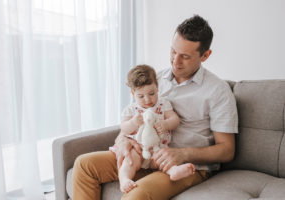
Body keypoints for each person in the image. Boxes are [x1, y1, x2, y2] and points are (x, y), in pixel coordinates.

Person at [72, 15, 238, 200]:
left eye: (185, 56)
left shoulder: (218, 91)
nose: (176, 61)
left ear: (205, 55)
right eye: (173, 51)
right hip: (144, 156)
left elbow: (227, 150)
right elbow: (132, 118)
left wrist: (182, 154)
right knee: (84, 165)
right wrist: (122, 141)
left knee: (135, 196)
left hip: (187, 167)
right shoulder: (154, 80)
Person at [110, 64, 195, 193]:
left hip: (157, 147)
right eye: (141, 96)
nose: (148, 99)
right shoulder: (131, 109)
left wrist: (165, 124)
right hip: (137, 148)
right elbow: (124, 128)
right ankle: (124, 179)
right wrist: (133, 123)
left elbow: (175, 119)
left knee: (164, 160)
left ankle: (174, 171)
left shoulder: (163, 104)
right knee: (129, 161)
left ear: (157, 88)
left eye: (151, 93)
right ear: (132, 93)